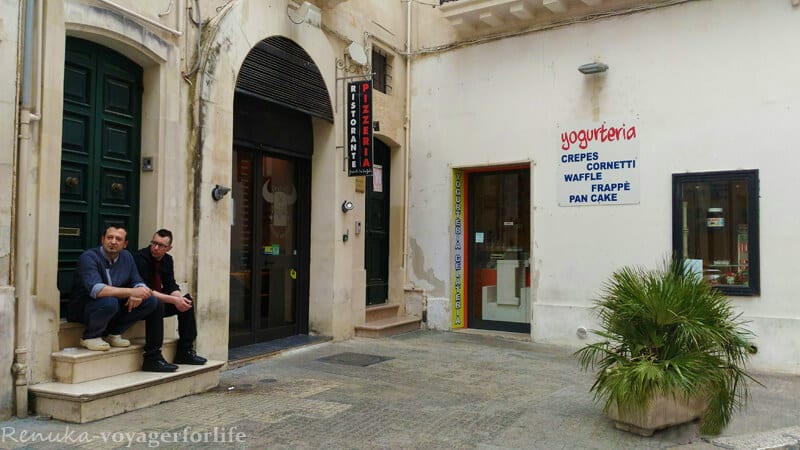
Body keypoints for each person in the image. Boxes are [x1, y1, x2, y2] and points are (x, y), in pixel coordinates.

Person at [67, 225, 177, 373]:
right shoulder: (89, 257)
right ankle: (90, 336)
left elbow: (137, 280)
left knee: (152, 301)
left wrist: (138, 292)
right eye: (109, 238)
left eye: (118, 239)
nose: (113, 242)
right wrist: (132, 291)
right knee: (109, 301)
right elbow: (97, 290)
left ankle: (115, 334)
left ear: (125, 244)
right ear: (102, 239)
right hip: (85, 308)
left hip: (112, 307)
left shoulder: (127, 257)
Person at [134, 229, 207, 365]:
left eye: (161, 245)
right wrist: (174, 300)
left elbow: (170, 285)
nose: (155, 248)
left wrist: (179, 298)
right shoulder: (140, 258)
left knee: (187, 302)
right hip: (140, 304)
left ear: (169, 248)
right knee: (157, 304)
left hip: (157, 302)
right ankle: (153, 356)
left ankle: (185, 351)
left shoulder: (168, 260)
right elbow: (145, 290)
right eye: (154, 243)